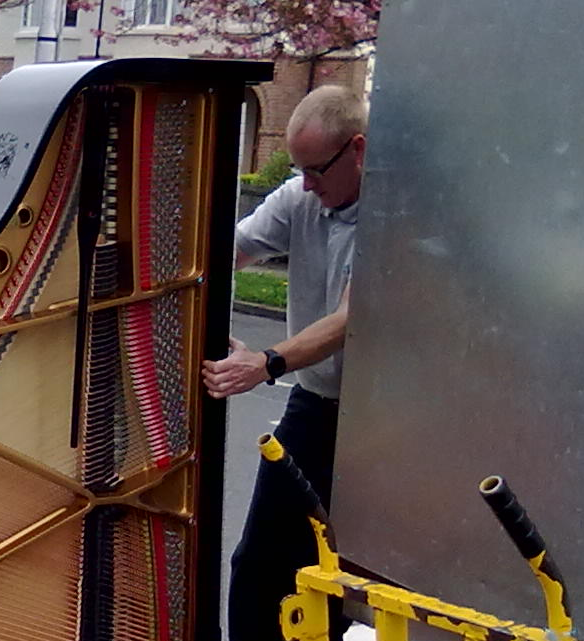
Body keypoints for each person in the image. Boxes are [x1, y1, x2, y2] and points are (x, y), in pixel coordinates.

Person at [202, 84, 365, 641]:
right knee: (258, 565)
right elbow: (232, 248)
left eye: (317, 169)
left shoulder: (393, 218)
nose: (307, 183)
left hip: (381, 424)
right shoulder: (300, 195)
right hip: (314, 407)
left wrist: (265, 363)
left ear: (359, 150)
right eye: (300, 170)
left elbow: (349, 320)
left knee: (348, 578)